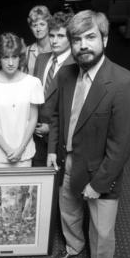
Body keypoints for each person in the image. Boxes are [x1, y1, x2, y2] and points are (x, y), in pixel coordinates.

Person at [47, 10, 130, 258]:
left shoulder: (124, 83)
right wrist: (51, 150)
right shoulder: (66, 74)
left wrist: (98, 184)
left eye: (90, 37)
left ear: (105, 39)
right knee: (69, 210)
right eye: (77, 39)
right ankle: (73, 246)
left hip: (102, 171)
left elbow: (121, 145)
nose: (83, 45)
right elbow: (58, 116)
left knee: (102, 231)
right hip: (68, 160)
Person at [0, 32, 44, 168]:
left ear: (20, 57)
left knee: (27, 190)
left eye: (14, 56)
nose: (11, 63)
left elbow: (33, 119)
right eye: (5, 57)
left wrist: (20, 149)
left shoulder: (33, 83)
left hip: (25, 154)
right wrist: (8, 150)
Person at [33, 11, 75, 166]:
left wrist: (50, 128)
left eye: (60, 36)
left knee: (56, 185)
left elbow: (75, 108)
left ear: (70, 38)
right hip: (36, 133)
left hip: (59, 137)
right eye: (51, 35)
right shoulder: (41, 59)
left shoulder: (76, 66)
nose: (54, 41)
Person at [25, 5, 52, 75]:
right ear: (31, 28)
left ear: (48, 25)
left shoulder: (57, 47)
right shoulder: (27, 51)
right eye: (34, 25)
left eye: (42, 24)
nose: (38, 29)